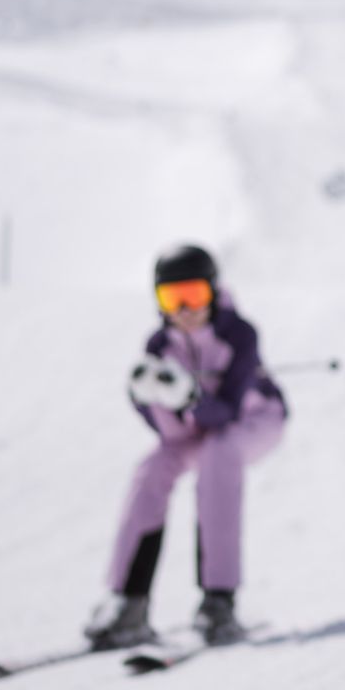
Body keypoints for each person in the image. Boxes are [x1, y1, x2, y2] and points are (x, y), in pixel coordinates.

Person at [84, 245, 287, 649]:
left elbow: (229, 410)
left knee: (219, 455)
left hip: (257, 420)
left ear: (213, 291)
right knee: (153, 467)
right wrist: (152, 402)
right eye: (171, 298)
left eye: (194, 295)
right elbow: (173, 439)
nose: (185, 308)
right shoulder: (159, 346)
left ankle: (219, 599)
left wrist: (188, 397)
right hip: (199, 429)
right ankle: (129, 600)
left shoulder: (238, 334)